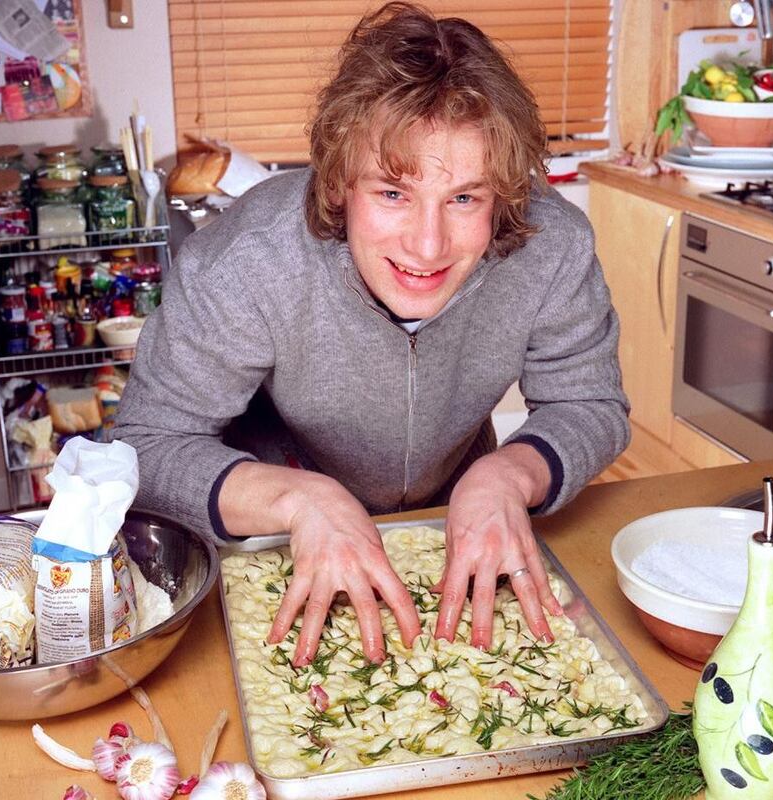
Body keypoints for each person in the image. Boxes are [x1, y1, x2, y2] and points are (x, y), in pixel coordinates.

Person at [113, 1, 629, 669]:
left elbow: (589, 404)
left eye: (465, 198)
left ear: (503, 193)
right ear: (340, 183)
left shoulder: (554, 246)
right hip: (270, 535)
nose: (427, 244)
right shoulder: (248, 259)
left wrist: (509, 474)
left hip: (459, 527)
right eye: (392, 193)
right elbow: (145, 448)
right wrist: (300, 501)